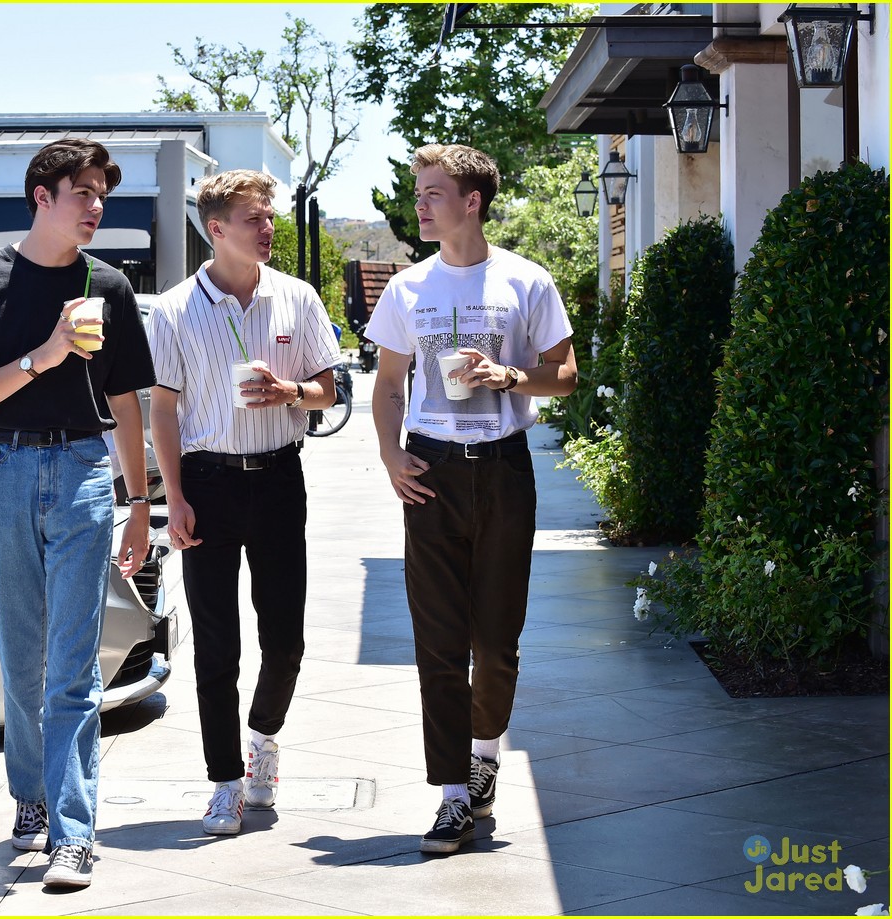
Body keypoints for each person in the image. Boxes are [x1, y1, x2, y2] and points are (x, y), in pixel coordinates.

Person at [0, 138, 156, 889]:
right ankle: (29, 795)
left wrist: (139, 502)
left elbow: (125, 399)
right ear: (42, 196)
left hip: (84, 470)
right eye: (83, 192)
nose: (96, 207)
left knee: (73, 663)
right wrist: (43, 355)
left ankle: (73, 831)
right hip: (3, 468)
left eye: (102, 196)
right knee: (20, 655)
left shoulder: (108, 285)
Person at [366, 143, 578, 855]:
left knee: (495, 640)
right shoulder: (407, 289)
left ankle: (485, 752)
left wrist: (510, 377)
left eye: (433, 192)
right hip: (430, 470)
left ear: (471, 202)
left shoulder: (526, 280)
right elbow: (389, 385)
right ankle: (453, 793)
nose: (421, 204)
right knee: (438, 641)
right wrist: (391, 454)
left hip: (503, 470)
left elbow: (566, 374)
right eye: (419, 192)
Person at [147, 169, 342, 836]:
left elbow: (329, 390)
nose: (268, 228)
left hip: (280, 477)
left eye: (270, 216)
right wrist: (173, 496)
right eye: (254, 218)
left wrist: (291, 393)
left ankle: (263, 737)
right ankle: (225, 781)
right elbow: (163, 411)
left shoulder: (297, 297)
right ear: (216, 229)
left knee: (285, 639)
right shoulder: (174, 310)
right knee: (216, 643)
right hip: (207, 482)